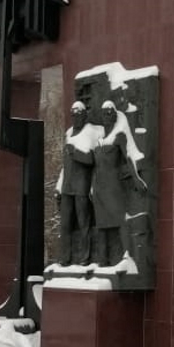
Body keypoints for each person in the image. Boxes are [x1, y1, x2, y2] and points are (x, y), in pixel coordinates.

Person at [90, 100, 146, 266]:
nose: (107, 116)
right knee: (101, 225)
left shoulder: (119, 136)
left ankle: (127, 256)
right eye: (104, 113)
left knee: (120, 220)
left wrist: (136, 178)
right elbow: (95, 166)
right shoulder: (99, 140)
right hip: (99, 188)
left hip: (113, 185)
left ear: (115, 116)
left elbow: (128, 157)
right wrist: (91, 188)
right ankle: (103, 260)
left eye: (110, 112)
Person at [55, 101, 101, 266]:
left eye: (78, 115)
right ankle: (65, 258)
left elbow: (92, 159)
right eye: (73, 115)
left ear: (84, 115)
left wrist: (75, 153)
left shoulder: (91, 132)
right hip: (67, 186)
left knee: (84, 223)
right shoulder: (68, 133)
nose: (75, 118)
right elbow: (64, 165)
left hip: (82, 185)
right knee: (65, 224)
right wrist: (59, 187)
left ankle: (85, 257)